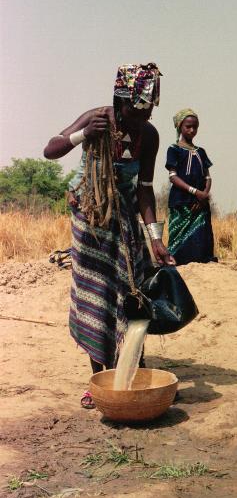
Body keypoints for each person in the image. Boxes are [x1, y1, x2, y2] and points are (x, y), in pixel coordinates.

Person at [44, 63, 174, 408]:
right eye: (136, 108)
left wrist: (155, 238)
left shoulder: (150, 135)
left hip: (126, 223)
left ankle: (132, 370)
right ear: (120, 100)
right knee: (96, 298)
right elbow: (51, 150)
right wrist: (83, 136)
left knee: (133, 294)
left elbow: (145, 190)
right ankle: (98, 379)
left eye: (148, 109)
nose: (142, 115)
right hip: (91, 222)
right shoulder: (96, 118)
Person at [165, 108, 216, 266]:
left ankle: (202, 261)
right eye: (188, 126)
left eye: (195, 126)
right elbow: (173, 177)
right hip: (181, 200)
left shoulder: (201, 152)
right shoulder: (173, 150)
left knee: (201, 236)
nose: (192, 130)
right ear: (180, 127)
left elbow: (207, 177)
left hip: (200, 203)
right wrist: (195, 192)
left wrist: (204, 195)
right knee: (178, 237)